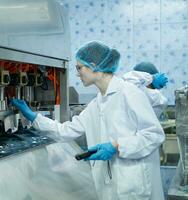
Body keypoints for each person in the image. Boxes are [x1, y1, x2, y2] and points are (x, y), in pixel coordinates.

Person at [11, 41, 165, 200]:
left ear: (94, 66)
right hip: (110, 184)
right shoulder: (98, 103)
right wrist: (33, 116)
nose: (77, 73)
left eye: (79, 68)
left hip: (134, 184)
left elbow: (154, 135)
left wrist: (117, 146)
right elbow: (67, 131)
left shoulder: (129, 93)